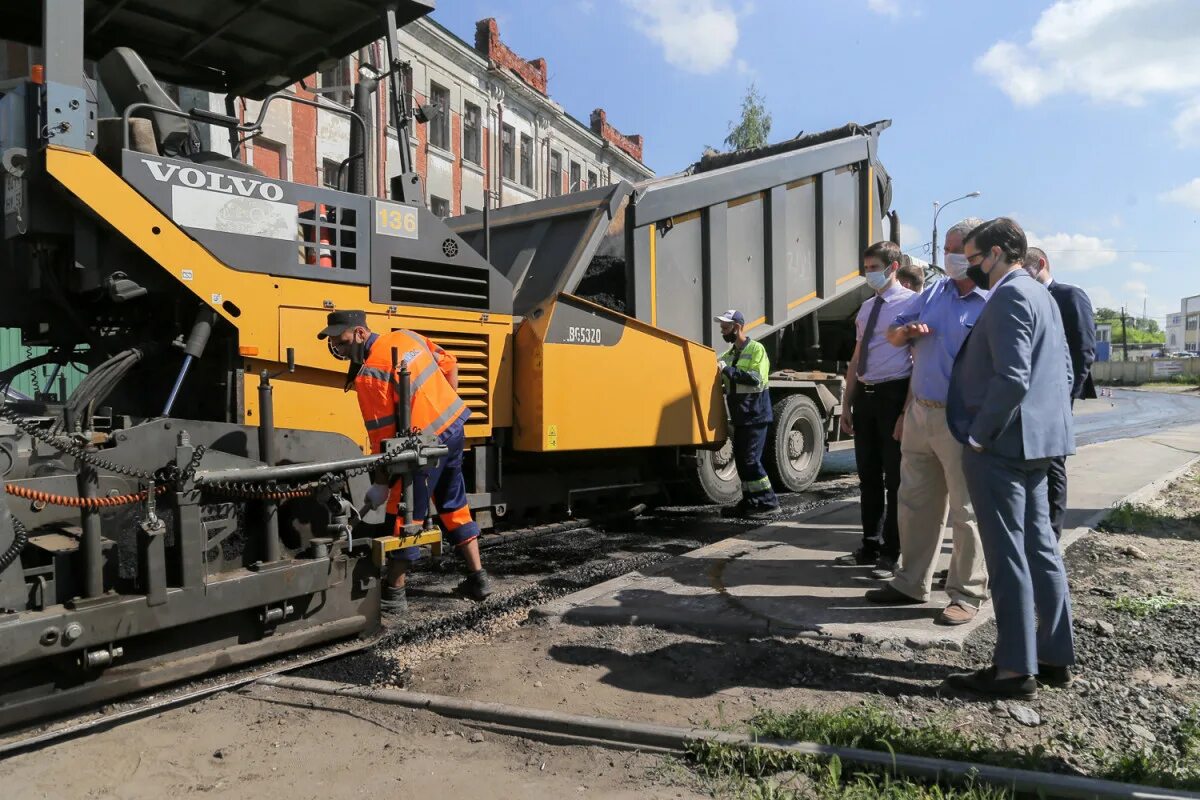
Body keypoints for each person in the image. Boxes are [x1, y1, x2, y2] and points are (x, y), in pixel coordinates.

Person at [944, 218, 1075, 698]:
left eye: (974, 258)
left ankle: (1014, 670)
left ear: (997, 253)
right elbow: (1061, 370)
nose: (971, 267)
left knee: (1007, 557)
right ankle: (1054, 657)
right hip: (1038, 444)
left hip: (1001, 446)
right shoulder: (1042, 293)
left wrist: (979, 437)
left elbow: (1013, 377)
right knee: (1041, 551)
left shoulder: (1010, 294)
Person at [317, 309, 493, 615]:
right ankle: (479, 579)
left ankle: (394, 594)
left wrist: (381, 485)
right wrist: (443, 406)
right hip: (453, 429)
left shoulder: (370, 374)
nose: (338, 349)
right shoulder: (406, 336)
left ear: (359, 333)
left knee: (404, 512)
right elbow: (450, 362)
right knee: (454, 504)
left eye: (341, 342)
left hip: (422, 448)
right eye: (333, 342)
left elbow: (382, 441)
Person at [865, 219, 989, 625]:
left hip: (961, 418)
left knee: (966, 510)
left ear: (978, 252)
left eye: (957, 249)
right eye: (947, 249)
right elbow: (897, 335)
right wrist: (905, 333)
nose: (949, 257)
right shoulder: (935, 290)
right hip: (921, 410)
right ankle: (910, 581)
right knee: (915, 501)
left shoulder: (993, 300)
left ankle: (966, 593)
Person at [835, 241, 915, 572]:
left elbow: (919, 360)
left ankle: (892, 549)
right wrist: (847, 403)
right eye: (866, 267)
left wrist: (904, 412)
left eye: (873, 267)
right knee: (867, 475)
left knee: (894, 478)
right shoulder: (867, 308)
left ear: (892, 267)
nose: (869, 273)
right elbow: (856, 359)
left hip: (893, 393)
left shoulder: (913, 303)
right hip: (866, 395)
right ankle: (870, 542)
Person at [1022, 247, 1096, 540]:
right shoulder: (1025, 298)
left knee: (1053, 462)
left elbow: (1084, 350)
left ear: (1040, 264)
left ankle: (1052, 532)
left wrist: (1066, 396)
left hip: (1056, 396)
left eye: (1025, 268)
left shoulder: (1069, 296)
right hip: (1028, 397)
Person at [715, 309, 781, 517]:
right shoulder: (727, 356)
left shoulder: (756, 349)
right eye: (722, 328)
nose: (722, 331)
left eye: (726, 328)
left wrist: (727, 371)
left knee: (751, 460)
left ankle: (769, 502)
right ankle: (750, 502)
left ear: (738, 327)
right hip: (740, 417)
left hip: (756, 414)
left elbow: (755, 378)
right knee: (743, 462)